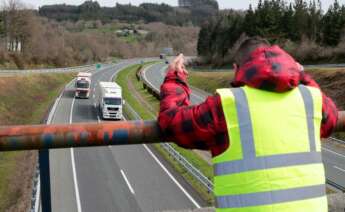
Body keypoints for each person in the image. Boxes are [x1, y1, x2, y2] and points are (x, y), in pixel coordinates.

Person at [158, 37, 338, 211]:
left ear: (236, 68)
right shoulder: (311, 98)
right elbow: (331, 118)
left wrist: (175, 77)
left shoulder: (228, 104)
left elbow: (171, 123)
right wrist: (302, 75)